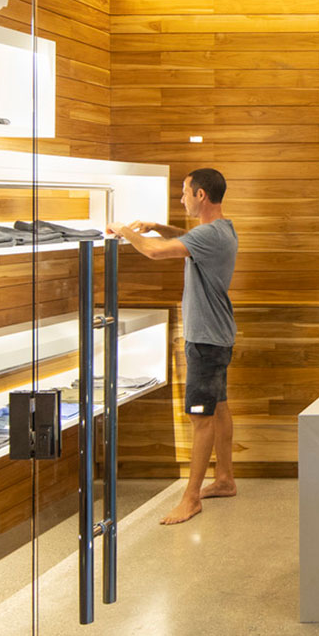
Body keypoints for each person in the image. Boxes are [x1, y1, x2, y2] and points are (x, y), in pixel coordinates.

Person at [108, 168, 239, 525]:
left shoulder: (211, 234)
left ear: (201, 195)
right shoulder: (220, 230)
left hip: (206, 339)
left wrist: (125, 231)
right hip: (216, 336)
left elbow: (153, 253)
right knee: (219, 407)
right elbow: (186, 237)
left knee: (202, 418)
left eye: (184, 193)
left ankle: (190, 497)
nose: (180, 199)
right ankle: (224, 478)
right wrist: (156, 226)